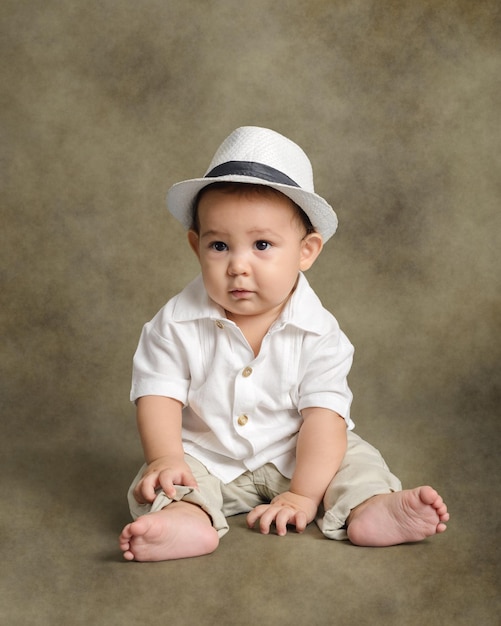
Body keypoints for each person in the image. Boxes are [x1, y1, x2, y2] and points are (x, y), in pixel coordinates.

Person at [119, 126, 449, 562]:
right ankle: (186, 519)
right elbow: (157, 395)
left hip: (301, 455)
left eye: (261, 245)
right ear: (196, 246)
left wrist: (304, 496)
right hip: (210, 456)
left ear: (306, 251)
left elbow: (323, 419)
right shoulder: (174, 323)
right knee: (158, 481)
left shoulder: (320, 333)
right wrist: (164, 458)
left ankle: (369, 508)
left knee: (354, 458)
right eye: (219, 245)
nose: (238, 265)